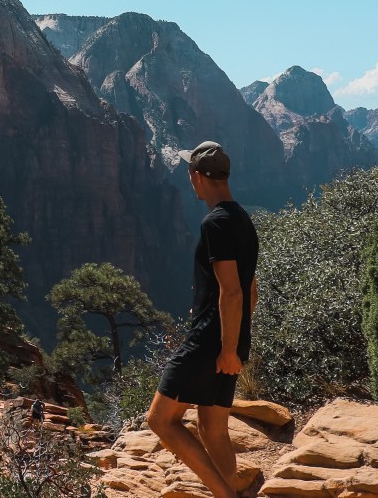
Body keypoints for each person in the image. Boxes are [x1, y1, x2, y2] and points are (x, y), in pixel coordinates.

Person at [146, 141, 259, 498]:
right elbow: (251, 291)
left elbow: (233, 292)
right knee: (213, 428)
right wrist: (237, 339)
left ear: (197, 176)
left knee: (160, 420)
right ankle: (230, 490)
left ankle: (225, 496)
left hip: (210, 343)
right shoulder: (243, 219)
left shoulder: (216, 224)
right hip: (231, 339)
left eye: (188, 172)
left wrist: (225, 347)